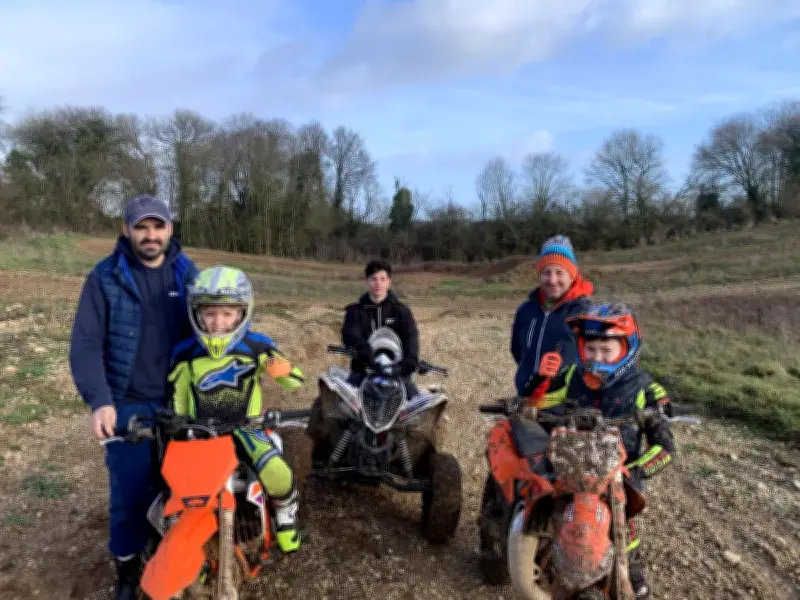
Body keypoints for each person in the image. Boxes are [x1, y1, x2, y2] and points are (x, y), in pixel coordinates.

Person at [68, 194, 199, 600]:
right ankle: (126, 570)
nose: (150, 235)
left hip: (181, 402)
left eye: (157, 226)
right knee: (129, 494)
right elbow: (85, 344)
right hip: (128, 404)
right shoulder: (105, 277)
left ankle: (173, 556)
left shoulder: (187, 273)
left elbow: (216, 324)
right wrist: (100, 400)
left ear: (170, 230)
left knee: (184, 488)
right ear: (126, 230)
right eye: (141, 227)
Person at [168, 265, 306, 553]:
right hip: (200, 431)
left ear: (242, 313)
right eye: (209, 313)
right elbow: (179, 396)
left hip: (247, 427)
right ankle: (187, 546)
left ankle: (285, 513)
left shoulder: (257, 346)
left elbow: (295, 382)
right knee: (179, 489)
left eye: (227, 313)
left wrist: (281, 368)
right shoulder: (185, 353)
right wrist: (176, 424)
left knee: (278, 473)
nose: (218, 322)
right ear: (196, 313)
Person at [564, 302, 675, 600]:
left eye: (606, 350)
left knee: (622, 524)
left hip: (619, 473)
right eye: (590, 349)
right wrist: (530, 400)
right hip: (572, 461)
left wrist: (635, 470)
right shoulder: (572, 376)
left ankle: (632, 570)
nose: (596, 358)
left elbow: (665, 447)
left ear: (627, 349)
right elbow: (545, 401)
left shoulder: (645, 388)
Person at [510, 235, 594, 410]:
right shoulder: (526, 310)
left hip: (565, 404)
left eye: (559, 272)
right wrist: (529, 376)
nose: (552, 280)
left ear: (572, 276)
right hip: (527, 395)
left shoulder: (585, 313)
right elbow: (517, 350)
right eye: (546, 272)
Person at [341, 258, 420, 398]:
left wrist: (409, 361)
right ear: (367, 281)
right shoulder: (355, 311)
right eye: (373, 279)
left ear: (389, 281)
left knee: (418, 410)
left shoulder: (402, 311)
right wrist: (364, 350)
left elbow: (411, 338)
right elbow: (350, 334)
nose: (378, 283)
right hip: (363, 371)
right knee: (339, 406)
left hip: (397, 373)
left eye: (382, 279)